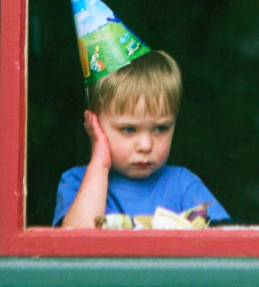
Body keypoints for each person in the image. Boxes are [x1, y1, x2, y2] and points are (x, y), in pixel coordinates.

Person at [53, 49, 230, 228]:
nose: (146, 145)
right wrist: (99, 165)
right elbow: (76, 243)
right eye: (129, 129)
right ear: (94, 125)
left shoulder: (182, 185)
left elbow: (226, 243)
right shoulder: (77, 182)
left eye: (161, 128)